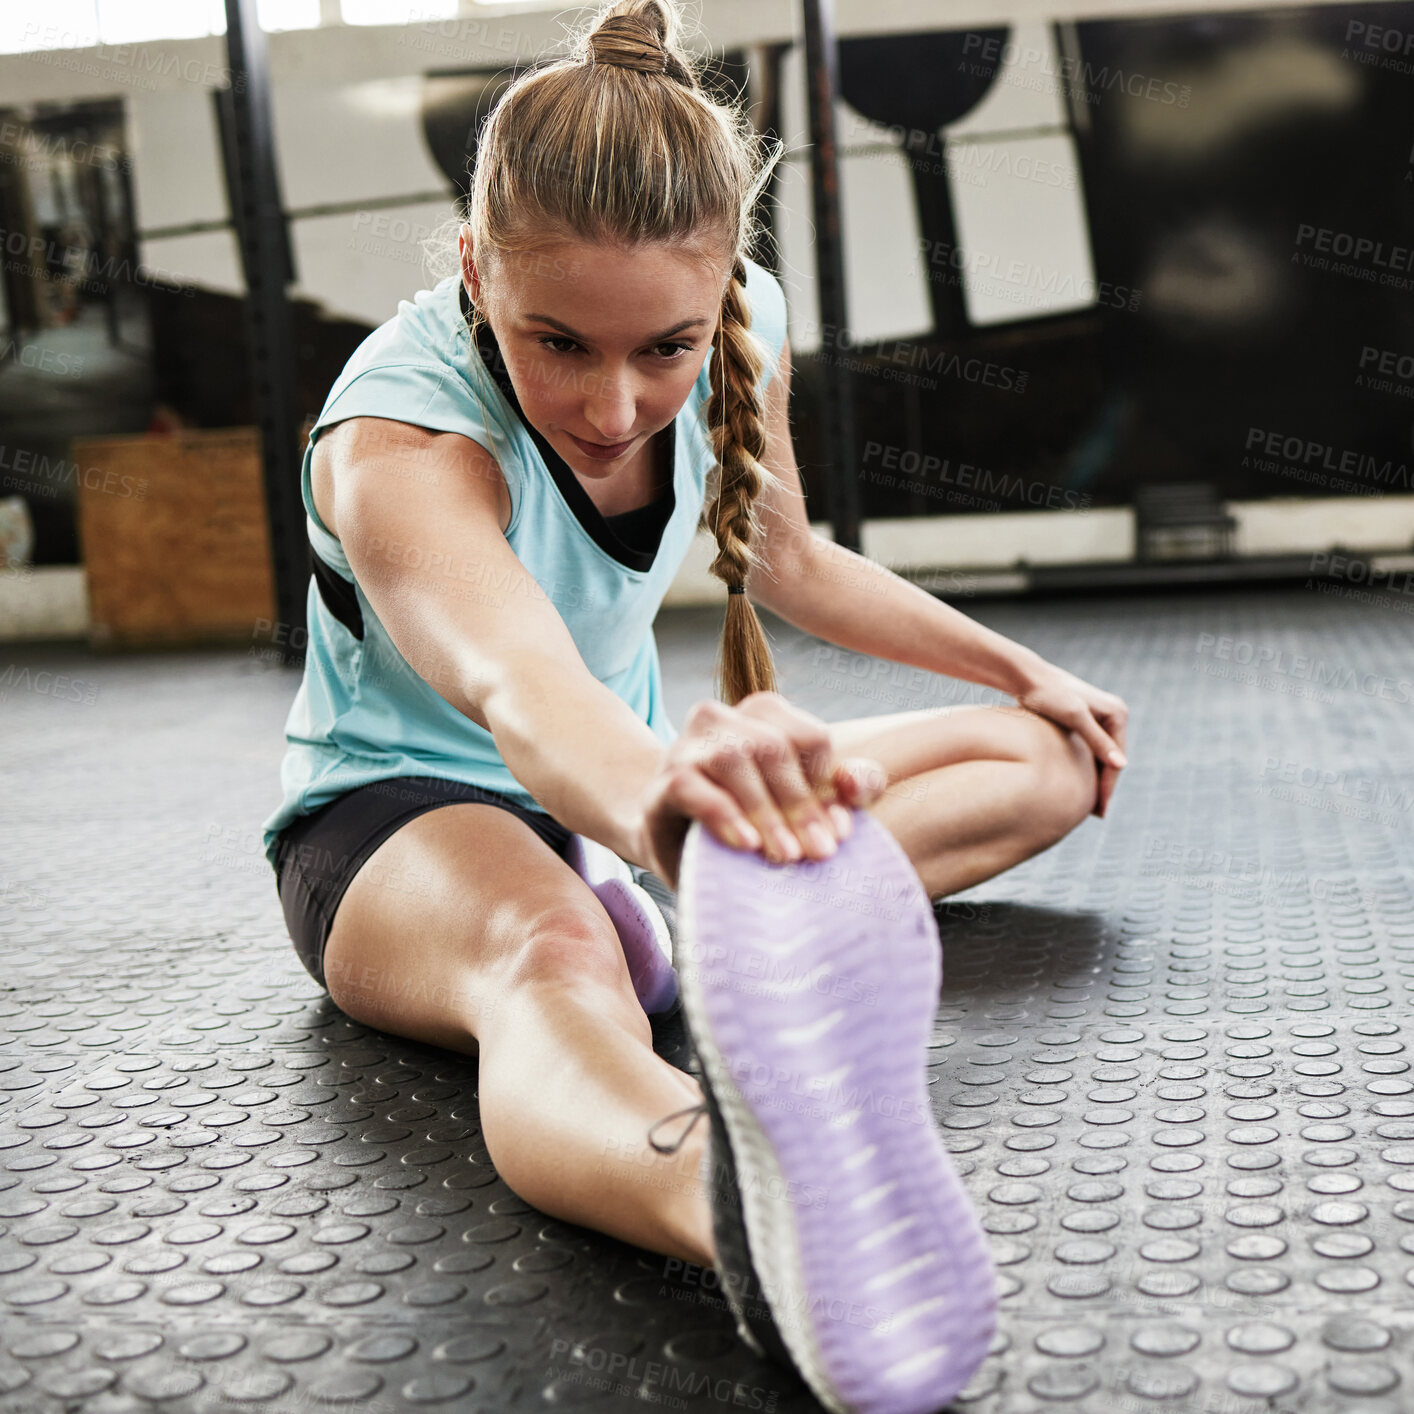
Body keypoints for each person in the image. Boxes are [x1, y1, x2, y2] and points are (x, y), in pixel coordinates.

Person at [261, 2, 1130, 1408]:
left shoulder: (742, 323)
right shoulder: (400, 436)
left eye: (662, 348)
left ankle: (692, 923)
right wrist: (675, 810)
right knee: (545, 956)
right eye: (558, 345)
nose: (614, 406)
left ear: (723, 281)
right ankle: (738, 1198)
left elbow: (784, 555)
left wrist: (1021, 669)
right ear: (475, 268)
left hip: (630, 803)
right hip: (402, 824)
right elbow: (517, 683)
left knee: (1039, 761)